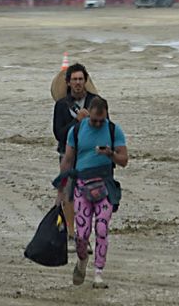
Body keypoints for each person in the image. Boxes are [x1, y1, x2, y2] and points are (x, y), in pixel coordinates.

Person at [55, 96, 127, 289]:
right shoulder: (76, 130)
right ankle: (82, 262)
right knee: (82, 234)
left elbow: (124, 160)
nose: (96, 124)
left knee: (102, 229)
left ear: (106, 115)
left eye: (100, 120)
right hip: (81, 186)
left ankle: (98, 273)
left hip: (105, 186)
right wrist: (61, 188)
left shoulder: (114, 130)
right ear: (89, 114)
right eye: (93, 120)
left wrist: (110, 154)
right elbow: (68, 160)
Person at [52, 62, 98, 238]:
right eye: (74, 79)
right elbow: (59, 134)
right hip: (68, 155)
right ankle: (72, 232)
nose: (78, 82)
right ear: (68, 83)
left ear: (85, 80)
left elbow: (106, 127)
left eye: (81, 79)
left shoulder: (97, 102)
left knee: (90, 194)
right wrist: (76, 121)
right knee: (69, 194)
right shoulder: (61, 106)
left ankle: (84, 231)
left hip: (91, 155)